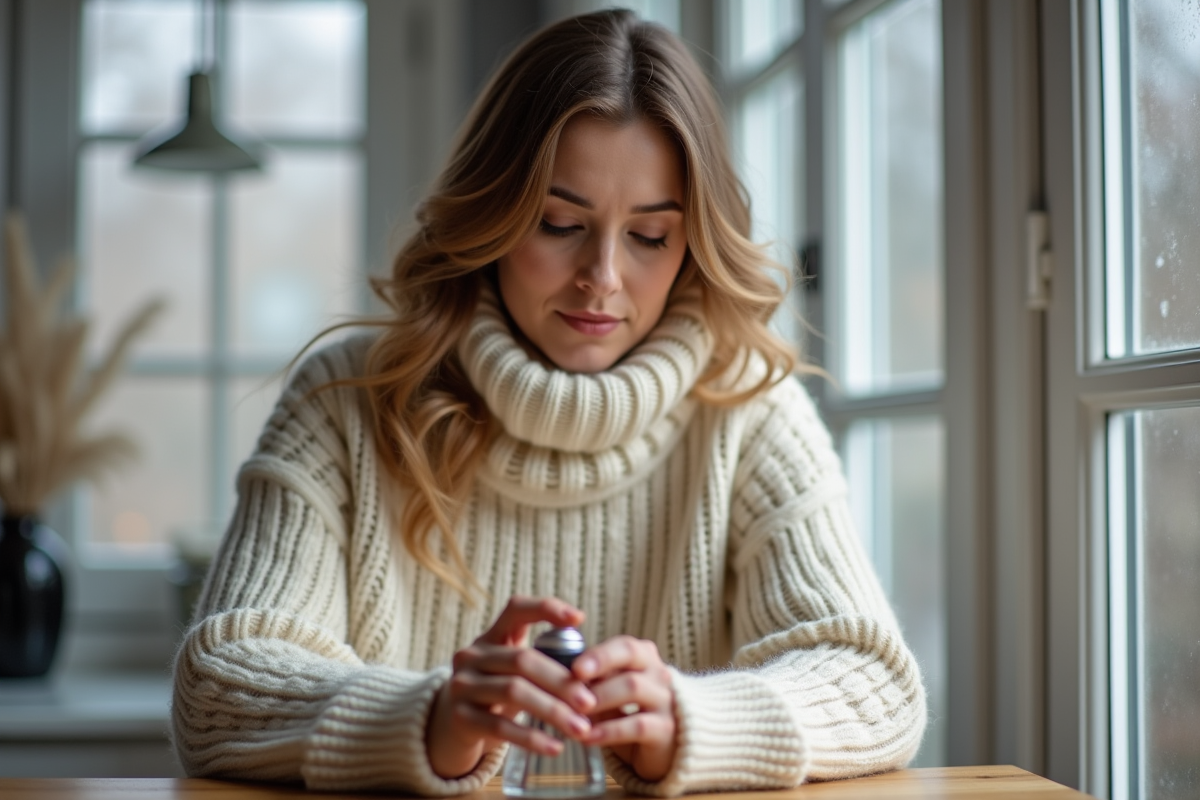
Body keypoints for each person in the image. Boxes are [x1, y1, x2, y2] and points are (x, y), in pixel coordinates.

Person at [171, 8, 926, 796]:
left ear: (693, 242)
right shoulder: (345, 404)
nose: (602, 276)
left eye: (650, 237)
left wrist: (691, 722)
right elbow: (217, 689)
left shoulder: (748, 413)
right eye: (559, 223)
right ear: (491, 215)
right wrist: (428, 719)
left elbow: (875, 683)